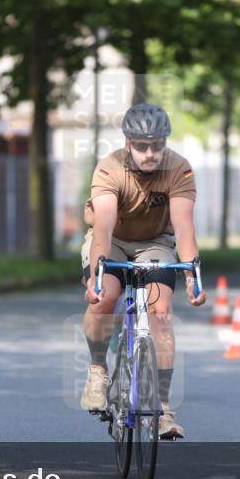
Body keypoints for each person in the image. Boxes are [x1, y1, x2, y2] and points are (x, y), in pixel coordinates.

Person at [80, 103, 206, 439]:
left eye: (157, 145)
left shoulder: (179, 169)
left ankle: (163, 408)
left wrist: (193, 277)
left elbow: (184, 230)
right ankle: (97, 370)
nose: (150, 153)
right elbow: (104, 230)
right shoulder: (109, 169)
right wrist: (96, 278)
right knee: (104, 298)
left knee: (161, 313)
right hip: (114, 241)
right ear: (127, 142)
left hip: (155, 243)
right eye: (142, 145)